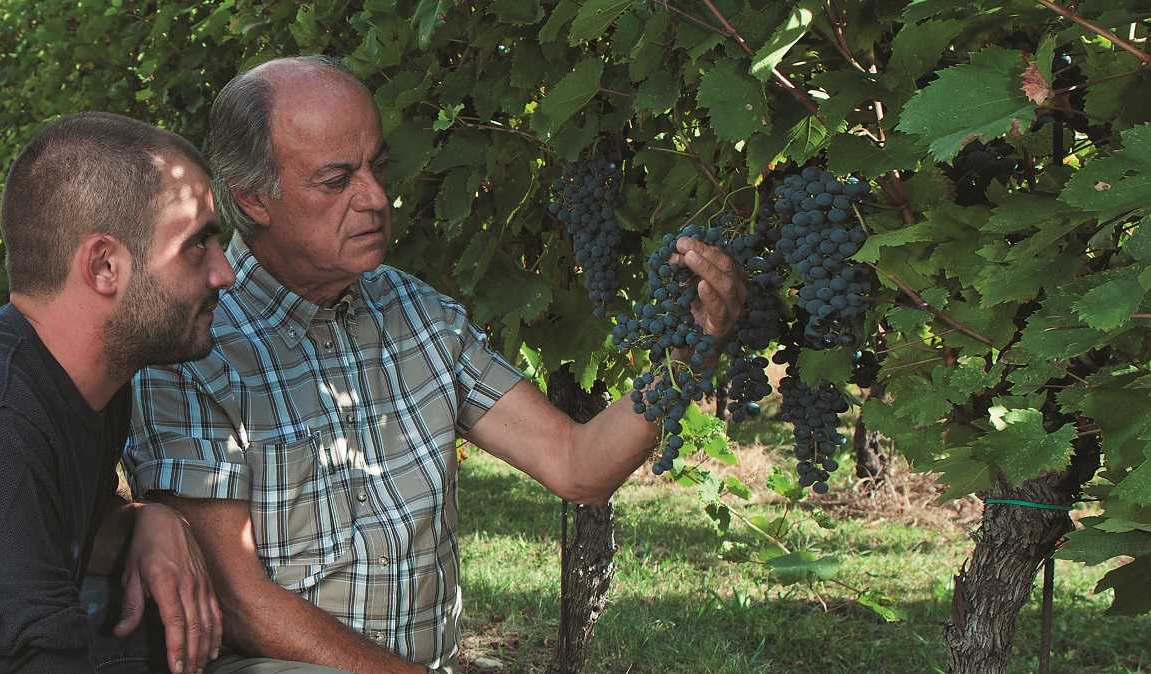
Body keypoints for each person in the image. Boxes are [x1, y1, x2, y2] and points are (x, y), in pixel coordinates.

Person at [123, 57, 746, 674]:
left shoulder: (421, 317)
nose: (375, 198)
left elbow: (578, 465)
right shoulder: (192, 349)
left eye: (378, 167)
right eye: (337, 180)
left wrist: (692, 349)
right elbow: (240, 604)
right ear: (252, 199)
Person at [0, 112, 236, 674]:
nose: (224, 272)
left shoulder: (87, 382)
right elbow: (37, 655)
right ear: (105, 265)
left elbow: (57, 525)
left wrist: (142, 519)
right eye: (197, 244)